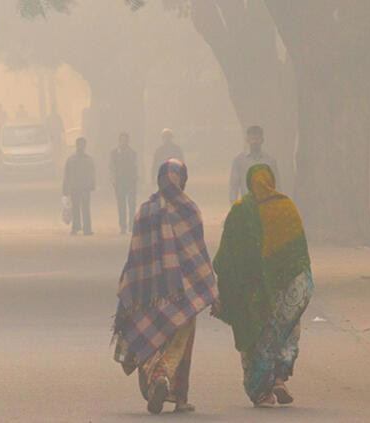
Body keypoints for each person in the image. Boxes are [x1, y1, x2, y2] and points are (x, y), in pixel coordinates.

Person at [113, 159, 218, 415]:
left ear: (159, 178)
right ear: (183, 179)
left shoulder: (145, 211)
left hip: (148, 294)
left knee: (153, 338)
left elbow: (135, 256)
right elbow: (199, 253)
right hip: (184, 293)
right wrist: (210, 286)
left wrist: (130, 289)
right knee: (182, 342)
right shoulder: (189, 210)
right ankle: (175, 391)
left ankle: (159, 381)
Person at [211, 164, 312, 407]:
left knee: (255, 337)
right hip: (285, 288)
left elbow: (226, 256)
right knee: (285, 333)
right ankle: (278, 378)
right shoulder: (285, 206)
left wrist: (224, 288)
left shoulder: (240, 210)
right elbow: (299, 253)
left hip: (251, 292)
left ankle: (260, 392)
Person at [229, 126, 280, 203]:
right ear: (247, 140)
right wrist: (234, 204)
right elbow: (234, 185)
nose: (255, 142)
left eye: (257, 139)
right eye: (252, 139)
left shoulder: (270, 161)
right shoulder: (239, 160)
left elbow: (276, 185)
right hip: (247, 204)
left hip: (266, 204)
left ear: (262, 140)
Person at [62, 137, 95, 236]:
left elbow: (92, 173)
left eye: (82, 144)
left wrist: (92, 184)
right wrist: (65, 188)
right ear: (77, 145)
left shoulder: (88, 159)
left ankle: (87, 229)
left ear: (85, 146)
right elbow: (67, 174)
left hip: (85, 187)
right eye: (79, 144)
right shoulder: (71, 159)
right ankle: (76, 227)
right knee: (75, 208)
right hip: (74, 187)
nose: (81, 146)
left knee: (86, 209)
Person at [109, 132, 137, 234]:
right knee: (121, 205)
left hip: (130, 181)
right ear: (119, 141)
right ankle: (123, 226)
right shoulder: (114, 153)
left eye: (125, 140)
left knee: (132, 204)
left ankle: (131, 225)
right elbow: (111, 166)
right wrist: (113, 178)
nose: (123, 142)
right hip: (119, 181)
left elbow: (134, 167)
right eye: (122, 140)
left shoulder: (132, 152)